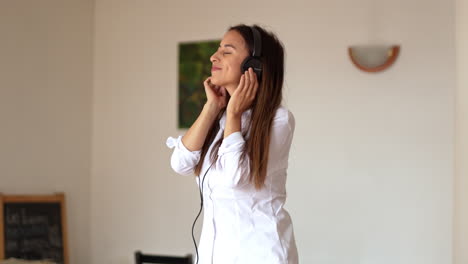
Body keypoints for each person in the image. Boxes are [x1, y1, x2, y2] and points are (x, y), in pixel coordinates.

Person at [166, 24, 298, 264]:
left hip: (260, 255)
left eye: (227, 51)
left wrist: (235, 114)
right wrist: (211, 108)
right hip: (214, 255)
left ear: (253, 67)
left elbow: (233, 178)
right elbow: (180, 163)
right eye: (218, 50)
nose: (213, 57)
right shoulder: (220, 119)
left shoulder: (278, 120)